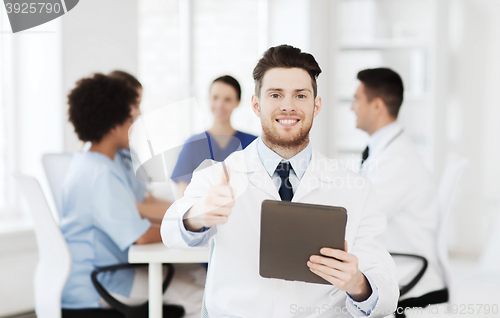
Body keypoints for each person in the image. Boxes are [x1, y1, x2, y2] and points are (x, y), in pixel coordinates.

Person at [161, 45, 399, 317]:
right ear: (256, 104)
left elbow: (386, 288)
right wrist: (196, 215)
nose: (288, 105)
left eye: (300, 95)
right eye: (275, 95)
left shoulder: (355, 189)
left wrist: (357, 283)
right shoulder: (219, 176)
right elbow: (171, 230)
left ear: (315, 105)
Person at [61, 73, 205, 317]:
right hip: (102, 283)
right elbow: (140, 236)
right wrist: (187, 226)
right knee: (202, 297)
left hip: (102, 273)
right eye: (130, 118)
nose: (136, 122)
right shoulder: (101, 174)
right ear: (113, 124)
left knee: (201, 277)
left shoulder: (89, 163)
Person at [351, 68, 447, 309]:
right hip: (395, 264)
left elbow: (360, 217)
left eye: (357, 100)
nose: (352, 107)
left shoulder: (398, 160)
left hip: (409, 274)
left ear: (377, 106)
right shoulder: (385, 151)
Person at [81, 70, 172, 224]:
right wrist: (187, 219)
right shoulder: (102, 164)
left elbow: (145, 199)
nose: (139, 113)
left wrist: (188, 210)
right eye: (135, 104)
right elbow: (134, 211)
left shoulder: (126, 152)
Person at [171, 75, 257, 198]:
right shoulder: (192, 145)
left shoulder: (253, 144)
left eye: (227, 99)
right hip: (202, 215)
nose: (220, 104)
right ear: (208, 99)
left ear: (237, 102)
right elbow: (183, 200)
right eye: (215, 97)